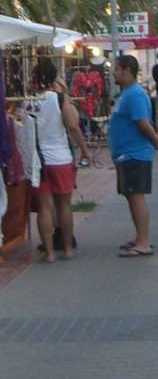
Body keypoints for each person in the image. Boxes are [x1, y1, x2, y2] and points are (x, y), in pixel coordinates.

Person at [109, 55, 158, 257]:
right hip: (125, 155)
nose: (114, 73)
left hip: (134, 154)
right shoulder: (126, 94)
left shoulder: (135, 94)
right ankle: (139, 237)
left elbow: (142, 122)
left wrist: (154, 138)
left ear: (127, 70)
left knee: (136, 197)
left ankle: (144, 242)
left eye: (116, 69)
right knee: (131, 196)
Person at [32, 59, 90, 262]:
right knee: (64, 205)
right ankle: (67, 249)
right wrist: (84, 150)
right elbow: (72, 126)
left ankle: (49, 253)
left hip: (38, 161)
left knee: (44, 208)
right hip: (61, 158)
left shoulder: (28, 100)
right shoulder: (60, 98)